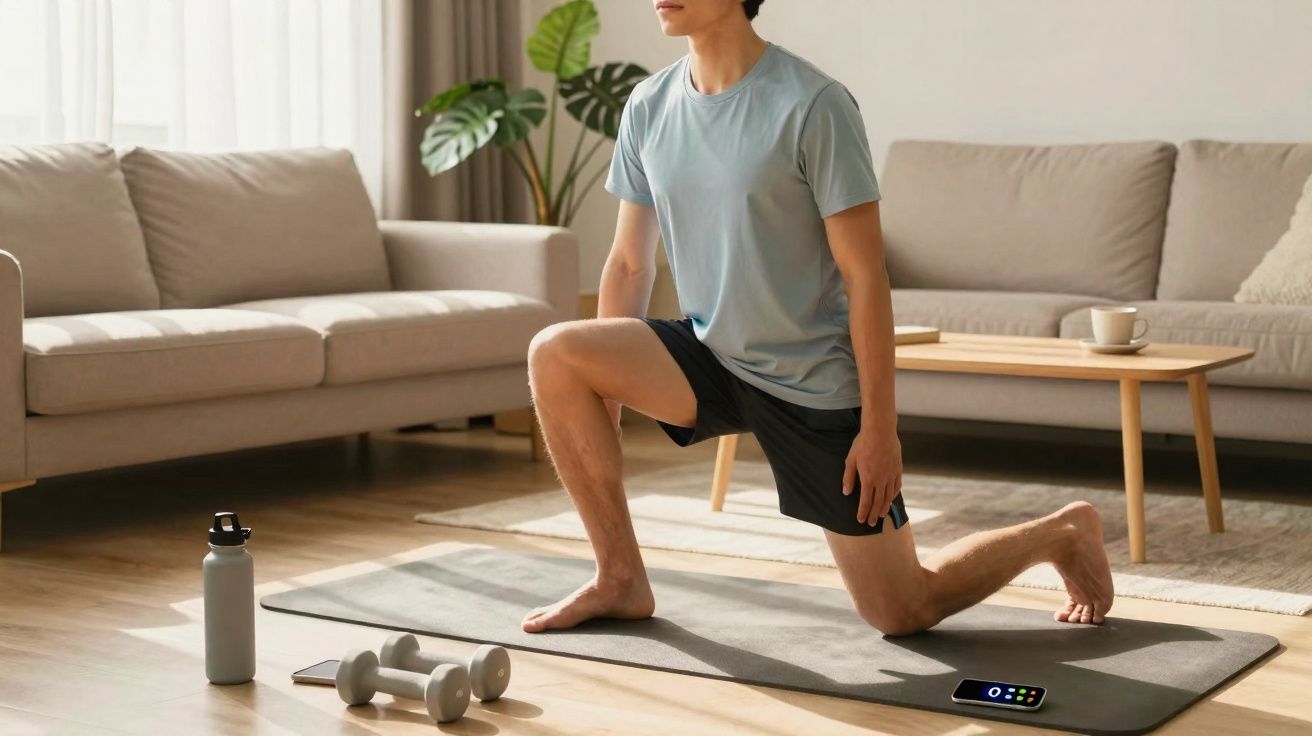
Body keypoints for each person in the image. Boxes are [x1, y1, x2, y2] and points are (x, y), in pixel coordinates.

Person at [521, 0, 1114, 636]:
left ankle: (1063, 532)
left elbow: (866, 278)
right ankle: (619, 578)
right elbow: (629, 266)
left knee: (901, 609)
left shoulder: (813, 103)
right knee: (556, 351)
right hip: (708, 356)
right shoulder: (648, 104)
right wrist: (607, 391)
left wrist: (880, 428)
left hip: (810, 381)